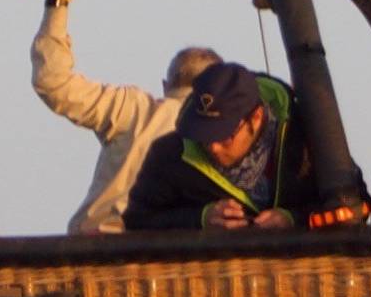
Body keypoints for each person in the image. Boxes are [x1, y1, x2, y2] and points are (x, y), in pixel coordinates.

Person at [27, 0, 221, 237]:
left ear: (166, 86)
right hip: (184, 263)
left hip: (100, 251)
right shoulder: (234, 134)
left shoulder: (134, 110)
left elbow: (52, 81)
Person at [122, 59, 299, 236]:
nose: (213, 147)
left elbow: (324, 208)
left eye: (225, 136)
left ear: (256, 117)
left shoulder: (305, 141)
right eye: (204, 135)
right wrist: (200, 219)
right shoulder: (170, 154)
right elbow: (137, 220)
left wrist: (293, 218)